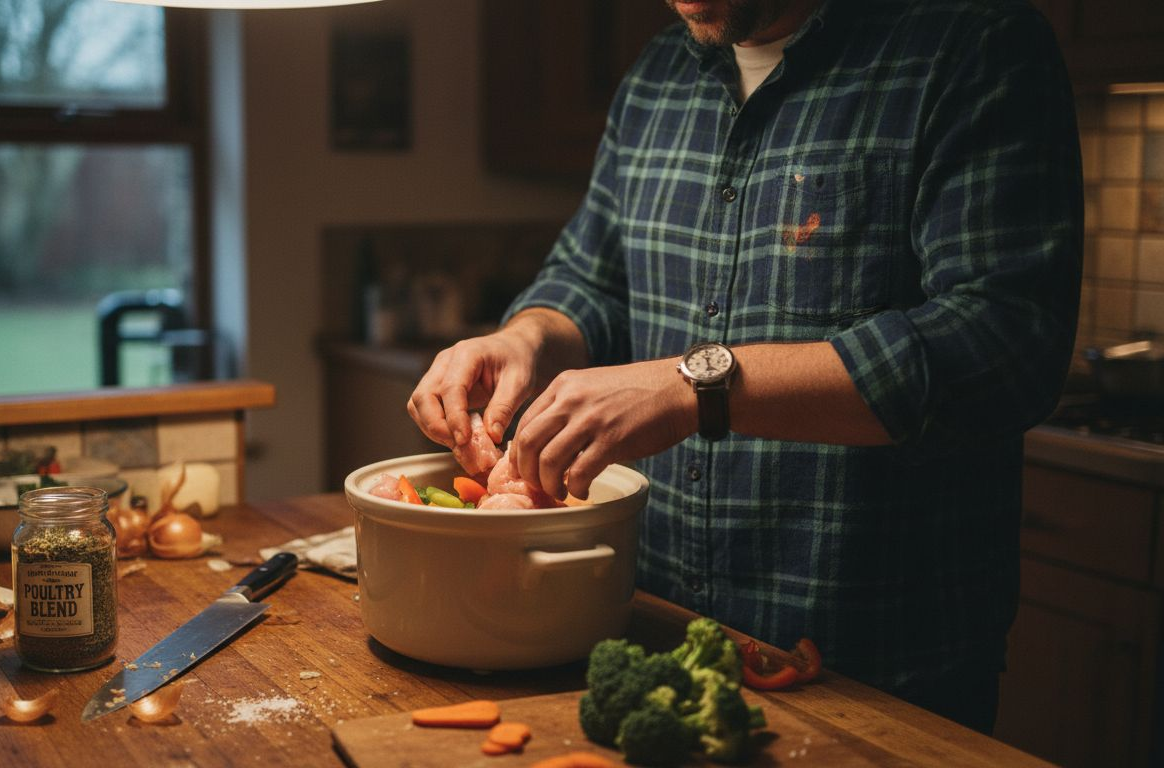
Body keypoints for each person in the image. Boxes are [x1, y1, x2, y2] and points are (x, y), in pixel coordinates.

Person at [408, 0, 1082, 734]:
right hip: (656, 629)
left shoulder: (974, 45)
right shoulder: (658, 75)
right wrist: (526, 339)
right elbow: (591, 281)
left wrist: (699, 385)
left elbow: (1006, 343)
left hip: (876, 666)